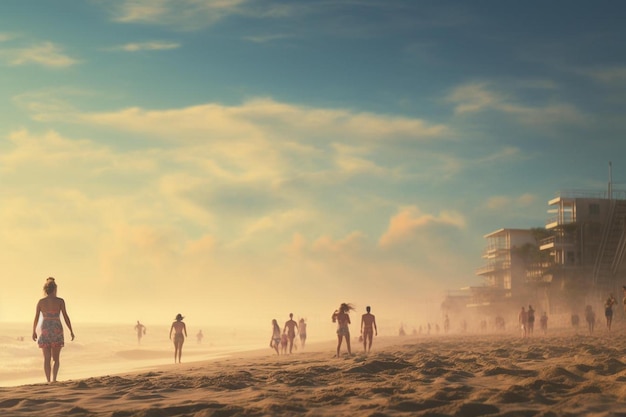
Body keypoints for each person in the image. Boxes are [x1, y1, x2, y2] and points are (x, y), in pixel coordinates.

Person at [32, 277, 75, 383]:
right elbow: (65, 316)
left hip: (45, 329)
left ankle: (48, 381)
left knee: (47, 358)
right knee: (56, 359)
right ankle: (54, 380)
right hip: (56, 329)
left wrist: (33, 331)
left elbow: (36, 317)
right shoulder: (60, 301)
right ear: (55, 289)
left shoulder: (41, 302)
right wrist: (71, 330)